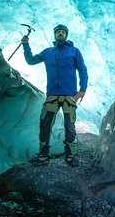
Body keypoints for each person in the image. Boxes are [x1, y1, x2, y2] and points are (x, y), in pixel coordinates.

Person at [21, 24, 88, 167]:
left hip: (69, 96)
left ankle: (70, 155)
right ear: (54, 34)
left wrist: (82, 89)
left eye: (63, 32)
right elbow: (31, 61)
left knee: (69, 125)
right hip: (52, 95)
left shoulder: (74, 51)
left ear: (66, 35)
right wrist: (26, 45)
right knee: (45, 123)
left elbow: (82, 69)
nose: (61, 34)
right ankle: (43, 155)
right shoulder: (48, 52)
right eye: (58, 32)